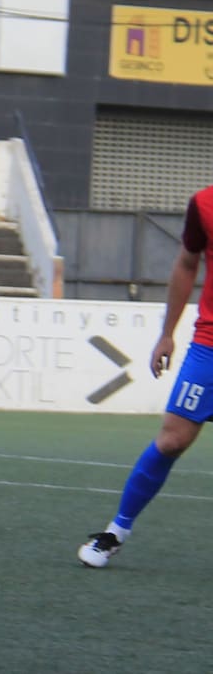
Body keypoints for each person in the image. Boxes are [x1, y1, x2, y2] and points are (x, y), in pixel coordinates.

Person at [77, 185, 213, 568]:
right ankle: (116, 532)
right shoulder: (204, 203)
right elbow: (186, 263)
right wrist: (167, 333)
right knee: (171, 440)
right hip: (209, 345)